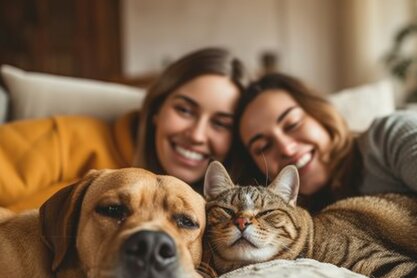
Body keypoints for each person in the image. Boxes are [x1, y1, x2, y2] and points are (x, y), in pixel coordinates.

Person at [233, 72, 417, 278]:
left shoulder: (386, 137)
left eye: (292, 124)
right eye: (263, 147)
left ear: (320, 114)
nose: (287, 148)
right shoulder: (295, 226)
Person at [0, 47, 248, 211]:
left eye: (220, 124)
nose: (196, 135)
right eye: (184, 110)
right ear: (157, 109)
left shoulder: (227, 219)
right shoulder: (68, 138)